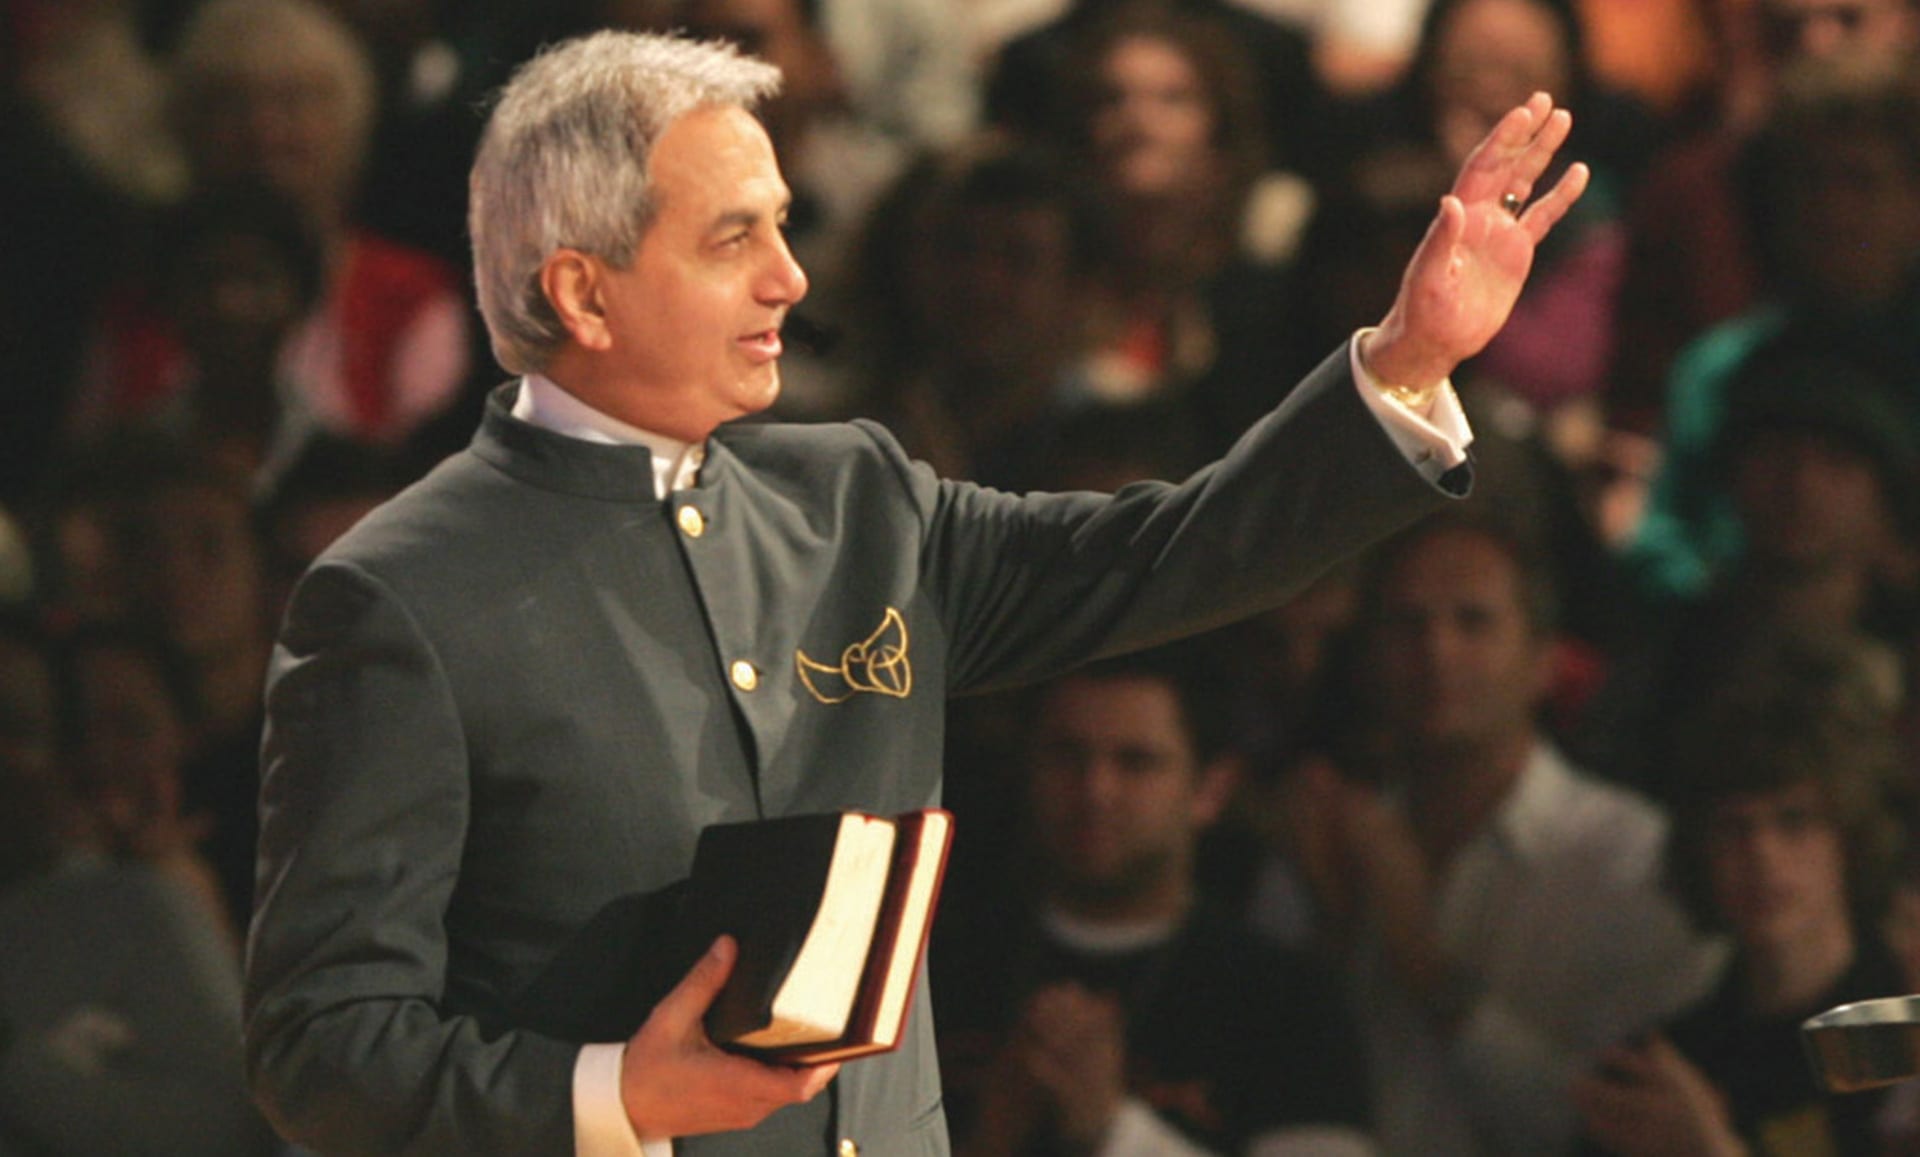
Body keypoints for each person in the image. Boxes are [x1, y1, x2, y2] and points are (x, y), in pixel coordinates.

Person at [242, 29, 1588, 1157]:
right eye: (734, 241)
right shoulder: (395, 598)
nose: (792, 277)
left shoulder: (859, 502)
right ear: (582, 292)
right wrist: (616, 1095)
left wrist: (1407, 361)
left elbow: (1171, 553)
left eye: (783, 224)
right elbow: (322, 1046)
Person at [1260, 516, 1724, 1156]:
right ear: (1368, 659)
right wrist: (1331, 932)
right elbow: (1259, 1092)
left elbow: (1600, 1126)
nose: (1437, 652)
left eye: (1473, 622)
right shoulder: (1323, 837)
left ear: (1544, 662)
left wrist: (1424, 963)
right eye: (1407, 624)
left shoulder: (1633, 858)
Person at [935, 648, 1375, 1156]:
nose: (1095, 790)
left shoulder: (1287, 1002)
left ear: (1210, 787)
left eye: (1135, 762)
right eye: (1067, 756)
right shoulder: (936, 965)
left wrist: (1112, 1127)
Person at [1573, 631, 1911, 1157]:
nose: (1762, 857)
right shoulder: (1671, 1066)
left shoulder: (1904, 1027)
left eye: (1794, 822)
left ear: (1849, 834)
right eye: (1733, 829)